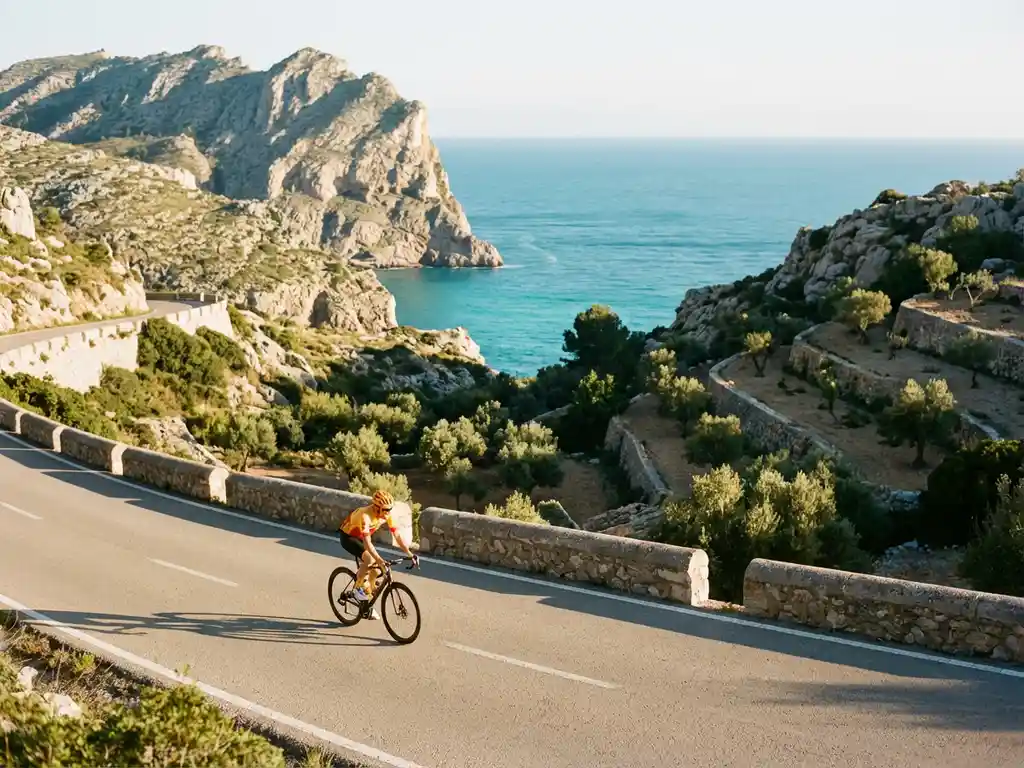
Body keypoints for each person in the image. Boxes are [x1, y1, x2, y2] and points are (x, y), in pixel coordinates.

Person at [339, 490, 419, 618]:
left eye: (390, 509)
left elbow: (397, 536)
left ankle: (365, 604)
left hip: (360, 536)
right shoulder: (365, 516)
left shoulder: (386, 515)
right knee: (370, 560)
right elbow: (367, 543)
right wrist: (379, 559)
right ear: (376, 508)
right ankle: (358, 590)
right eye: (385, 509)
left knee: (376, 572)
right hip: (348, 536)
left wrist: (410, 554)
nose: (388, 513)